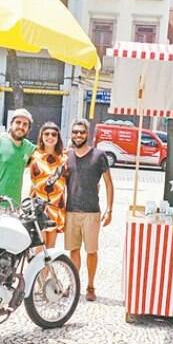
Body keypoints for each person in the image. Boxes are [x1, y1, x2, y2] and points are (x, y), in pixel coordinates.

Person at [64, 118, 114, 302]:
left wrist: (110, 210)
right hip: (71, 211)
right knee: (73, 251)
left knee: (91, 251)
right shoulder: (67, 156)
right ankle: (74, 283)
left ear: (88, 134)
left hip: (92, 212)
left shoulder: (99, 156)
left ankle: (91, 285)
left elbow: (109, 184)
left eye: (81, 132)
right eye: (75, 132)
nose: (78, 135)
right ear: (72, 134)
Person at [0, 108, 35, 217]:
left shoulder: (29, 148)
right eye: (18, 122)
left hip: (12, 204)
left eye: (25, 124)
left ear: (28, 129)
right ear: (11, 124)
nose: (21, 126)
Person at [28, 122, 67, 249]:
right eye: (47, 134)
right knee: (39, 248)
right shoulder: (34, 155)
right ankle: (37, 270)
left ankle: (47, 270)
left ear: (58, 138)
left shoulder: (63, 158)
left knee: (50, 249)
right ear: (41, 136)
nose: (50, 137)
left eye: (54, 134)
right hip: (38, 207)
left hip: (56, 207)